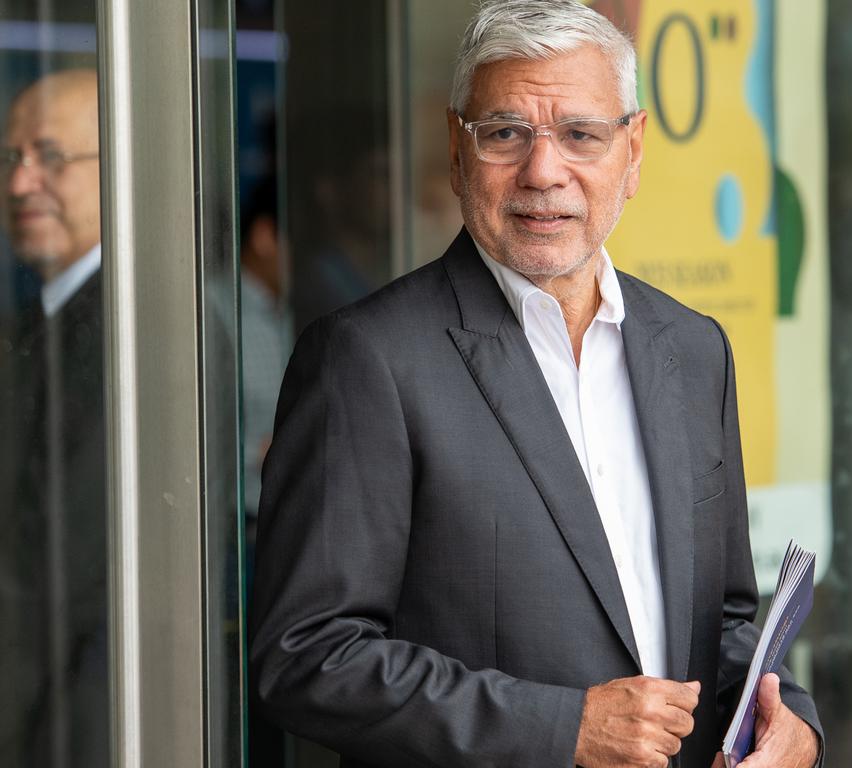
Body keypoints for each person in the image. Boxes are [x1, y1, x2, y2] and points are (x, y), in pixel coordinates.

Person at [251, 2, 822, 766]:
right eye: (505, 134)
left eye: (581, 134)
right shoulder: (366, 359)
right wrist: (563, 729)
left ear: (635, 150)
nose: (543, 171)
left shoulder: (693, 349)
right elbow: (306, 656)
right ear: (458, 152)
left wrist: (793, 721)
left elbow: (722, 622)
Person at [0, 69, 107, 766]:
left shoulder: (133, 336)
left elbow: (48, 576)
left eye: (51, 157)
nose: (19, 184)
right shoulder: (43, 324)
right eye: (12, 158)